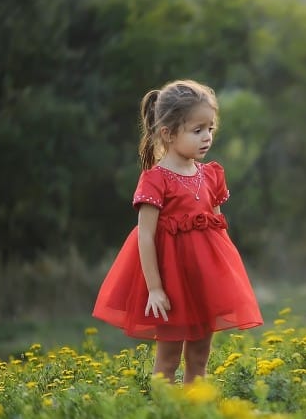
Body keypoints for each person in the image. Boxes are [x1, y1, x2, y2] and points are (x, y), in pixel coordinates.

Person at [93, 79, 263, 384]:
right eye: (197, 130)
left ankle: (193, 408)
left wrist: (224, 279)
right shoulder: (156, 180)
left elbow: (218, 229)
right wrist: (156, 288)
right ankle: (167, 410)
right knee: (168, 360)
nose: (207, 137)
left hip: (203, 282)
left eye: (210, 128)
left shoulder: (210, 174)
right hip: (171, 285)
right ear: (168, 134)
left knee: (199, 356)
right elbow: (145, 236)